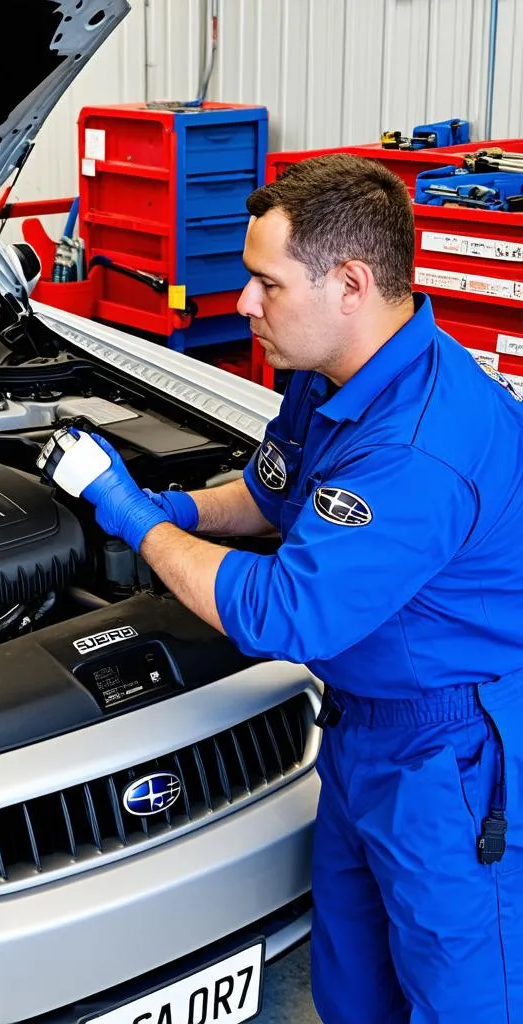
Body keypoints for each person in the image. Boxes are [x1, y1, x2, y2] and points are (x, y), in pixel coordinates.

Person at [59, 154, 523, 1022]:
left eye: (265, 284)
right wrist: (178, 508)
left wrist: (134, 521)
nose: (241, 305)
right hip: (361, 733)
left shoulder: (421, 447)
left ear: (349, 283)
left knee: (464, 1000)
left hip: (450, 760)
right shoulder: (332, 375)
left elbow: (284, 611)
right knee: (352, 987)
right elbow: (271, 494)